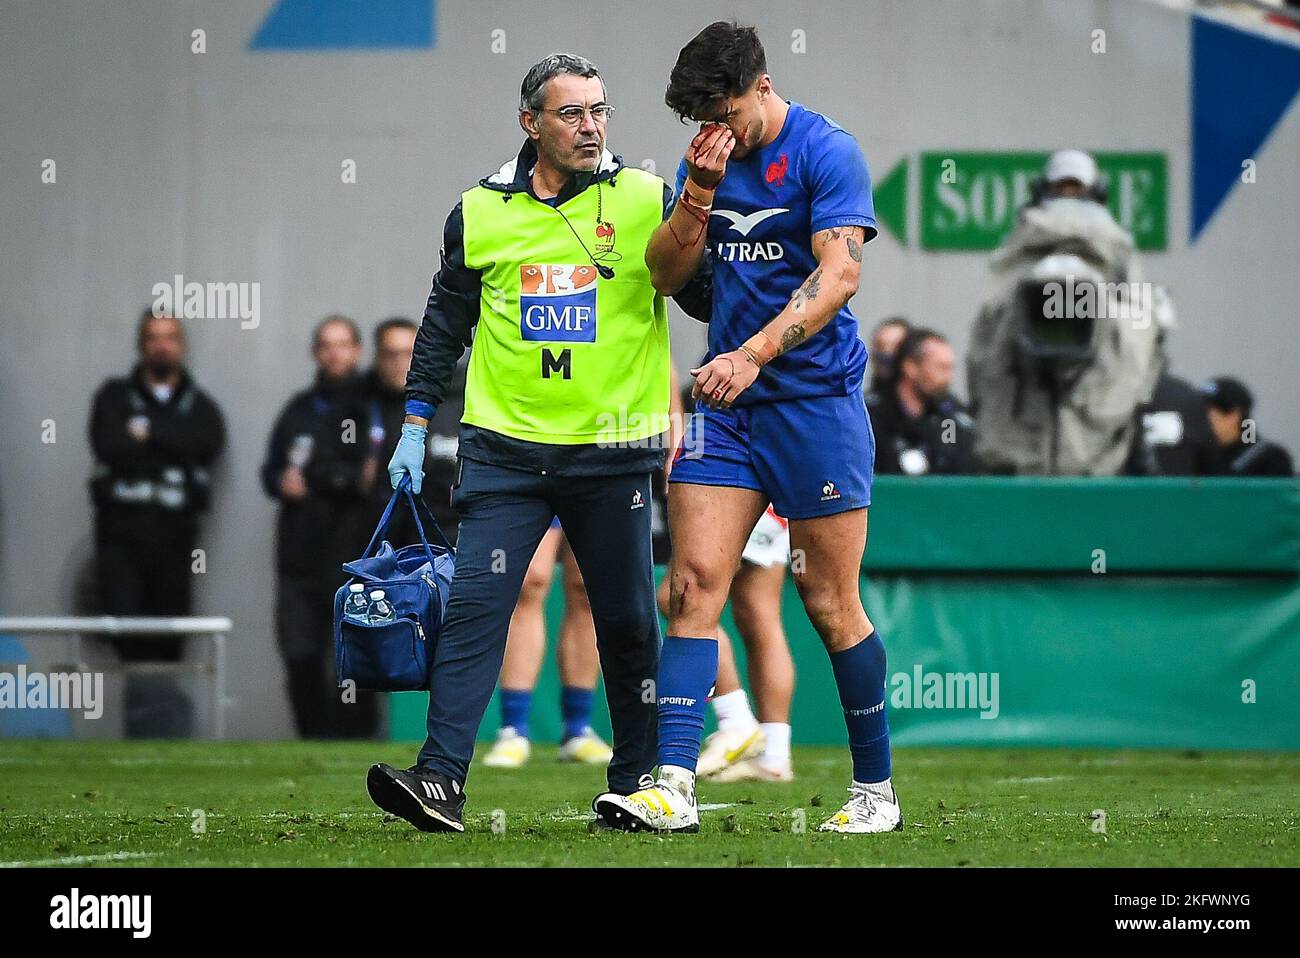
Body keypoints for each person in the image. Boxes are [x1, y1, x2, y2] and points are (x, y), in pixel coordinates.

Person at [365, 53, 711, 833]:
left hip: (612, 454)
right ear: (531, 124)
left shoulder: (646, 198)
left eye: (599, 111)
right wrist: (416, 422)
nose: (591, 127)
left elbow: (704, 296)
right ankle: (440, 780)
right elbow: (442, 327)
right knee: (477, 613)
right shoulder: (477, 212)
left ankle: (635, 786)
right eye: (572, 114)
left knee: (625, 623)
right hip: (504, 453)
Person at [597, 21, 901, 834]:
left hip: (815, 405)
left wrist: (756, 353)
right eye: (702, 117)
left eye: (727, 110)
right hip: (725, 412)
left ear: (762, 84)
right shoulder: (706, 161)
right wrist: (695, 191)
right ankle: (672, 787)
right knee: (689, 587)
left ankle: (875, 792)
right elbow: (663, 277)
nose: (716, 129)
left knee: (828, 600)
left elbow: (839, 274)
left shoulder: (825, 151)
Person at [89, 310, 226, 737]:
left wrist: (149, 435)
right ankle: (138, 724)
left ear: (181, 346)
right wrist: (170, 444)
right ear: (141, 344)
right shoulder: (113, 397)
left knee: (169, 636)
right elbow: (108, 446)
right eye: (154, 337)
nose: (162, 345)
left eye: (170, 337)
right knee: (126, 632)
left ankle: (164, 729)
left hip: (176, 545)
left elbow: (205, 444)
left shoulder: (199, 405)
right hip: (120, 542)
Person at [262, 315, 379, 739]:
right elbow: (272, 471)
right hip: (299, 553)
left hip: (354, 554)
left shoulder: (371, 407)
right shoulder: (300, 409)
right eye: (326, 345)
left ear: (358, 351)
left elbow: (368, 474)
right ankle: (311, 738)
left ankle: (354, 743)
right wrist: (281, 480)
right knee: (300, 653)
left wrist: (323, 478)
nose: (335, 353)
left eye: (343, 344)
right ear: (315, 352)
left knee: (355, 656)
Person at [480, 524, 613, 768]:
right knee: (530, 579)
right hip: (540, 485)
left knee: (586, 585)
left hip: (592, 486)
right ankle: (513, 729)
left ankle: (577, 730)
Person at [364, 317, 463, 548]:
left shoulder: (458, 402)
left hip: (446, 535)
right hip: (380, 537)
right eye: (390, 354)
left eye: (408, 353)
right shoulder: (359, 405)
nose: (399, 363)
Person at [868, 328, 975, 475]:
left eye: (950, 369)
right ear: (910, 367)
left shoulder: (951, 422)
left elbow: (957, 472)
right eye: (941, 368)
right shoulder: (871, 417)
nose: (948, 378)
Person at [1202, 377, 1294, 476]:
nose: (1199, 419)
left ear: (1233, 415)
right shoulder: (1200, 455)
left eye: (1205, 414)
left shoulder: (1270, 459)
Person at [868, 316, 912, 393]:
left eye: (895, 347)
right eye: (880, 346)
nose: (886, 353)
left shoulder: (925, 402)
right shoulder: (864, 403)